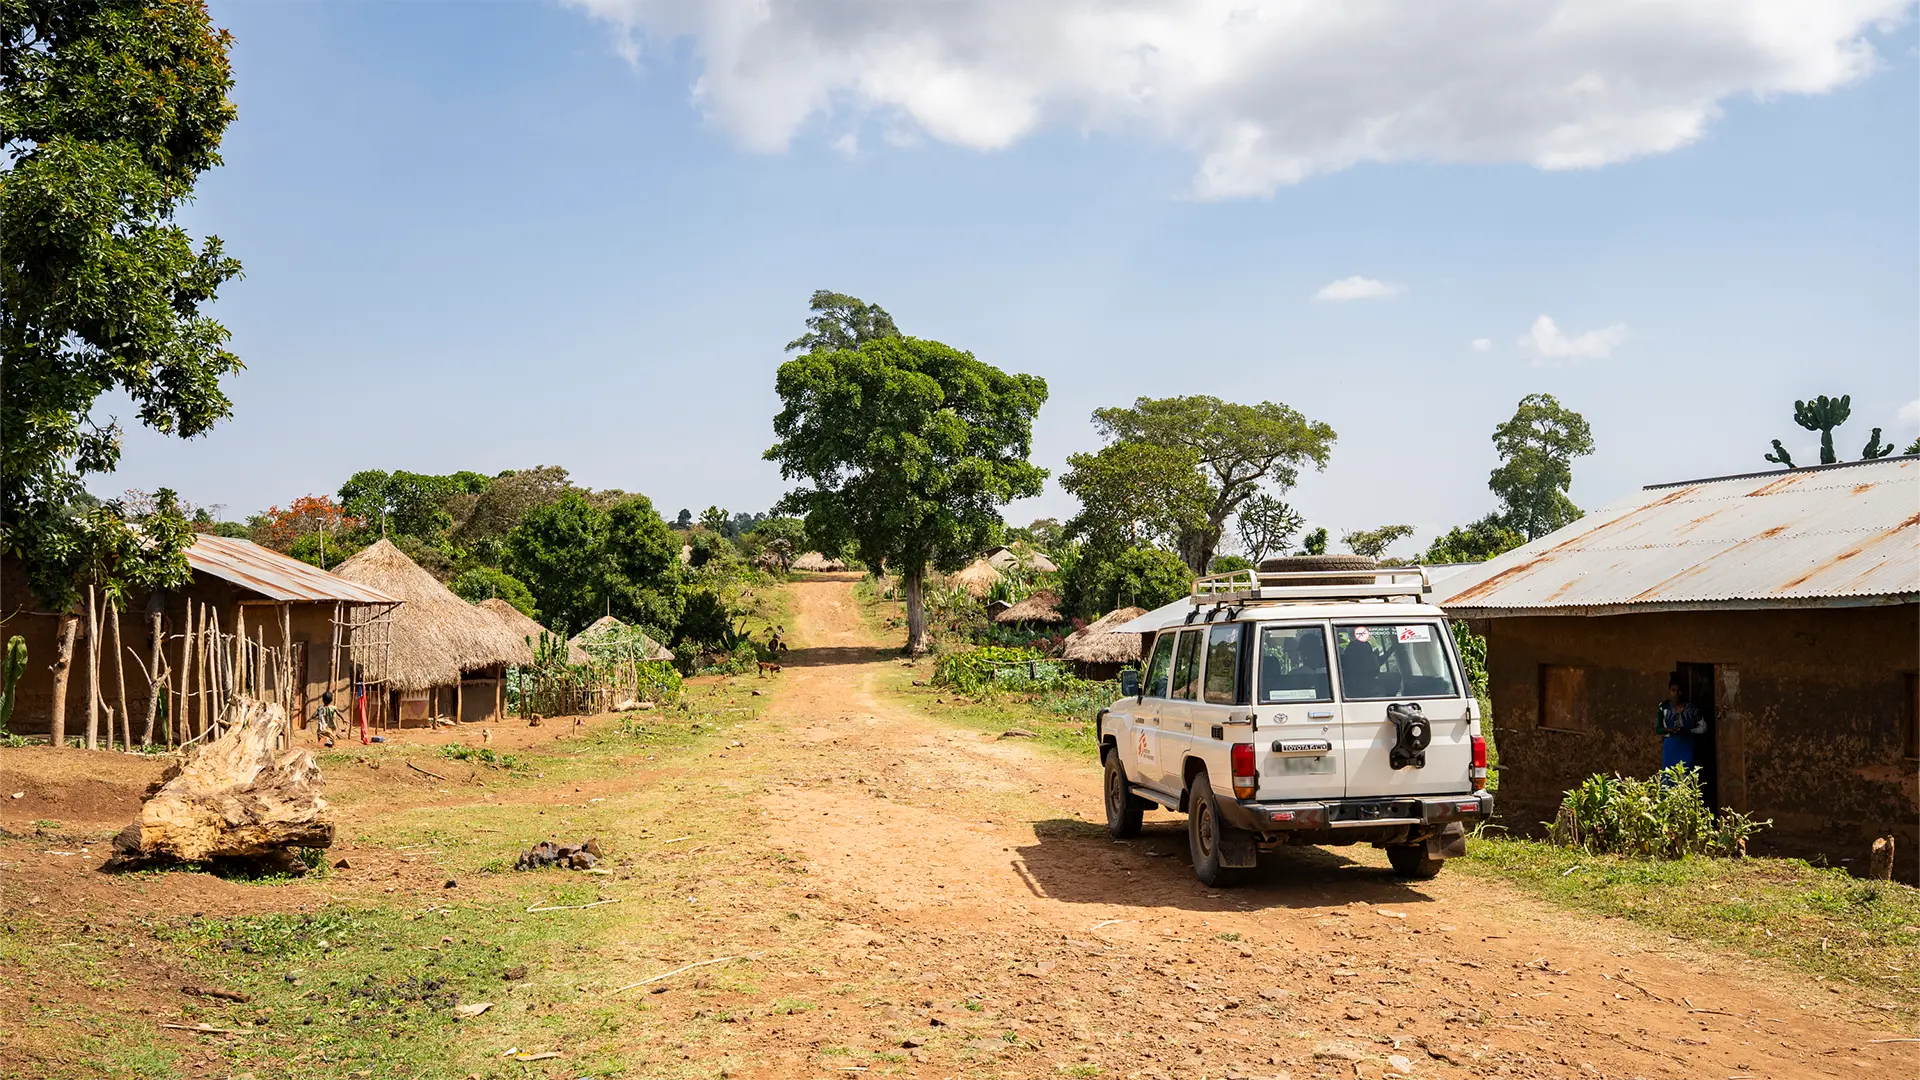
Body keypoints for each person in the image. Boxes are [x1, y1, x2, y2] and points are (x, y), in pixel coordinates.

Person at [1656, 675, 1706, 776]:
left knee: (1686, 774)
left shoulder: (1691, 709)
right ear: (1669, 691)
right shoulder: (1664, 707)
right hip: (1670, 747)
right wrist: (1670, 730)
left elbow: (1703, 728)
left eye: (1679, 690)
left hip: (1686, 746)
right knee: (1669, 775)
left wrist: (1688, 731)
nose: (1676, 694)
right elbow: (1658, 729)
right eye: (1673, 690)